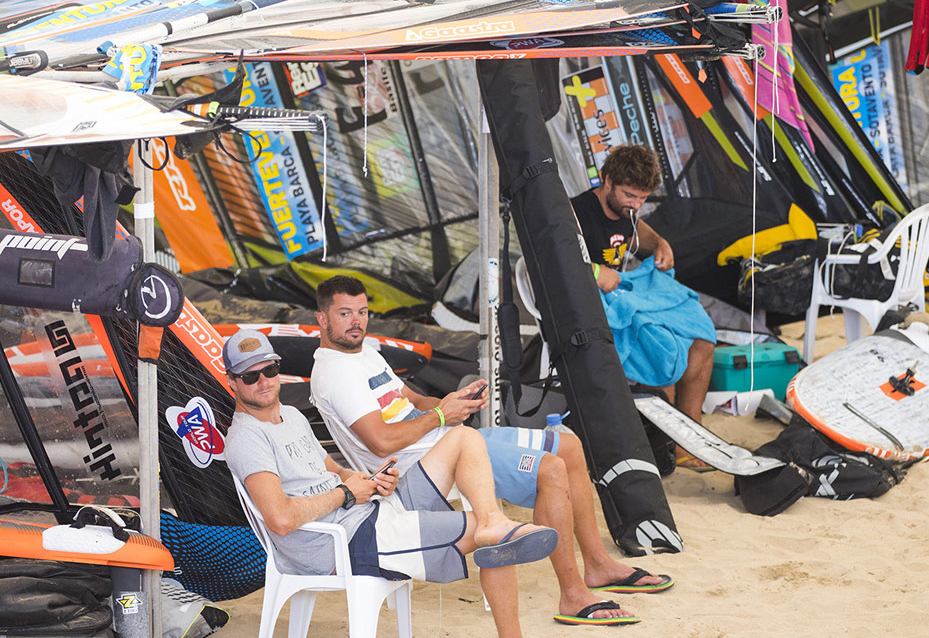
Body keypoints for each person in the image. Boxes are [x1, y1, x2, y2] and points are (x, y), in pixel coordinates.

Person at [310, 276, 671, 627]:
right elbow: (381, 441)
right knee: (550, 468)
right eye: (345, 314)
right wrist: (440, 417)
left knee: (570, 445)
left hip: (446, 440)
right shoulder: (335, 371)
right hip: (422, 467)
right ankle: (573, 595)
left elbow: (414, 400)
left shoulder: (365, 353)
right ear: (322, 319)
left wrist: (453, 404)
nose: (356, 321)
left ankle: (597, 565)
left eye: (362, 311)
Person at [223, 329, 559, 638]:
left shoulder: (292, 416)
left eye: (269, 370)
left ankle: (492, 520)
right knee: (490, 536)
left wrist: (369, 480)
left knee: (464, 437)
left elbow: (332, 471)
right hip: (341, 543)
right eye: (250, 376)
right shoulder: (247, 438)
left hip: (369, 511)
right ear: (233, 382)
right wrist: (345, 495)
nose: (263, 382)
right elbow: (280, 519)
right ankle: (495, 542)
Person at [570, 145, 716, 471]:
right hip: (590, 309)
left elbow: (640, 234)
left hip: (626, 297)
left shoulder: (628, 214)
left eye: (642, 197)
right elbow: (551, 259)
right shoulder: (575, 213)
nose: (635, 205)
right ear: (606, 180)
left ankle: (688, 440)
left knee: (702, 338)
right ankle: (664, 444)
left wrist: (662, 245)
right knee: (660, 344)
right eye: (629, 195)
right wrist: (595, 271)